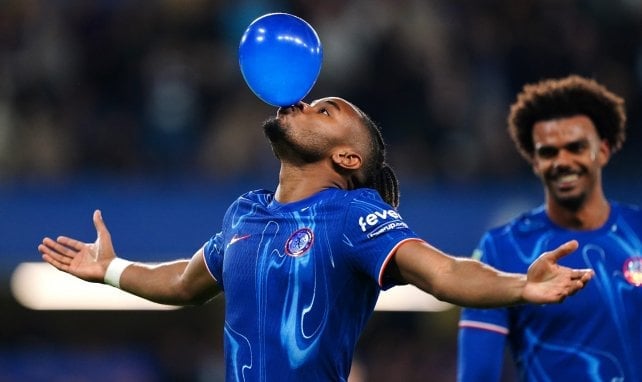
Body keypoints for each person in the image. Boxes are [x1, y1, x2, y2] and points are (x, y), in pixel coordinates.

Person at [39, 97, 593, 382]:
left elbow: (443, 272)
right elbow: (184, 282)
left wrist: (521, 285)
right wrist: (111, 269)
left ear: (347, 158)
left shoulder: (354, 215)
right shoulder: (244, 214)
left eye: (323, 111)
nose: (301, 103)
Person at [457, 75, 642, 381]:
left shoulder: (637, 232)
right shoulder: (502, 248)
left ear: (604, 150)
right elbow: (477, 374)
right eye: (548, 152)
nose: (563, 161)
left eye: (576, 147)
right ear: (534, 161)